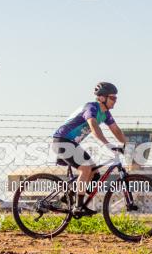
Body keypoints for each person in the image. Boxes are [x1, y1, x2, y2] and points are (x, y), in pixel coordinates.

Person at [52, 82, 127, 216]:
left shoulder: (106, 114)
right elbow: (94, 127)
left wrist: (126, 144)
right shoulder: (91, 107)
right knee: (86, 168)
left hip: (71, 143)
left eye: (116, 98)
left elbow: (116, 130)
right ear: (102, 98)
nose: (115, 101)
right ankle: (78, 206)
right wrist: (107, 144)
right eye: (113, 98)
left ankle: (70, 195)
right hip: (62, 140)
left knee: (94, 172)